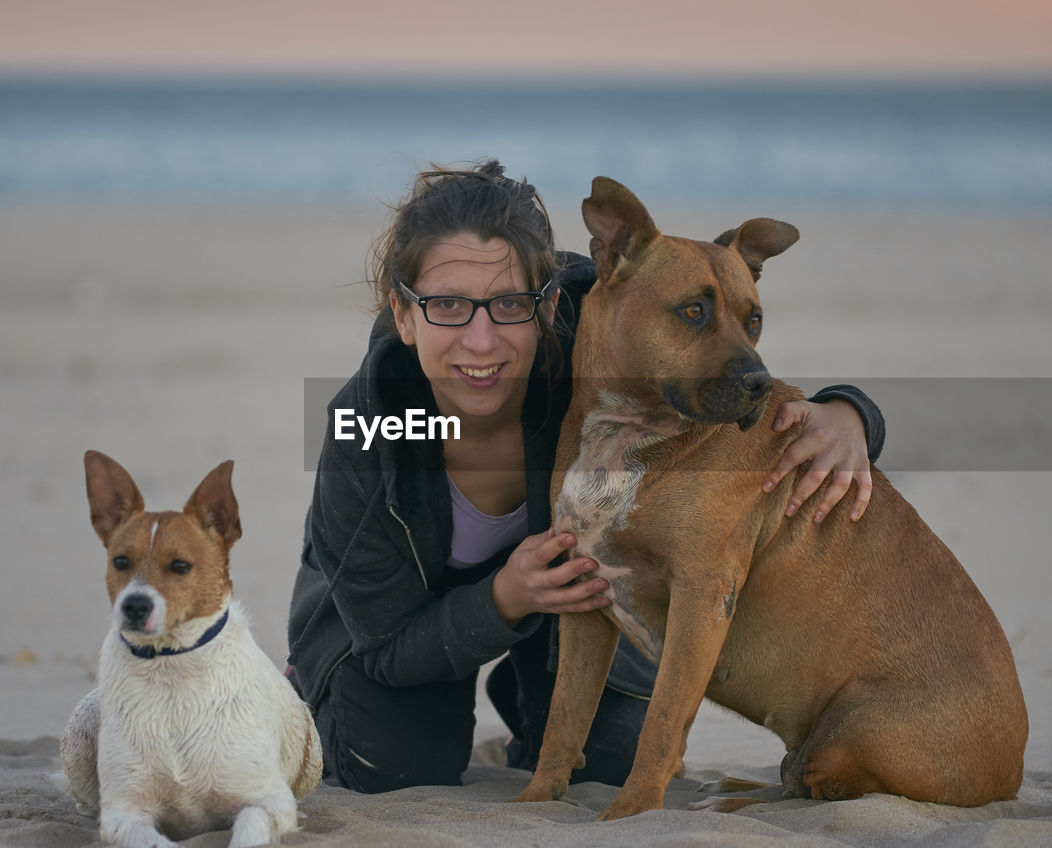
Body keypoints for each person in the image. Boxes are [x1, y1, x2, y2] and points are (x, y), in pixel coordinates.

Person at [287, 160, 886, 793]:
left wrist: (849, 412)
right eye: (448, 306)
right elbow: (385, 646)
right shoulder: (371, 428)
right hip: (395, 625)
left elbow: (720, 363)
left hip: (570, 601)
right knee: (394, 767)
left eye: (510, 303)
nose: (483, 341)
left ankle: (526, 702)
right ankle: (303, 694)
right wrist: (504, 598)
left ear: (546, 304)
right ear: (404, 317)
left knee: (611, 760)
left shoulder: (599, 330)